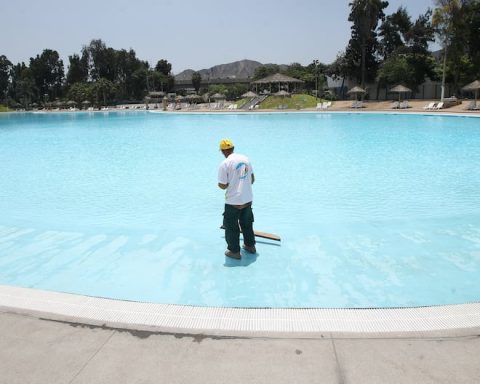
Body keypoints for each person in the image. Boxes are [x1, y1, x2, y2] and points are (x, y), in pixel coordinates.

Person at [218, 139, 256, 259]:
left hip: (233, 202)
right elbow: (252, 179)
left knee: (231, 227)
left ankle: (234, 252)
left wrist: (228, 183)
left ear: (223, 151)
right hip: (247, 199)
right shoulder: (246, 159)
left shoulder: (224, 164)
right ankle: (250, 246)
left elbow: (222, 185)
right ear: (233, 148)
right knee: (247, 224)